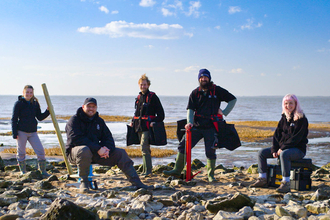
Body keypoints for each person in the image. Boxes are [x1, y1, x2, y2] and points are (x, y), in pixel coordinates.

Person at [163, 69, 237, 182]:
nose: (203, 79)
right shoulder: (195, 93)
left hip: (211, 127)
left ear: (209, 78)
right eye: (201, 77)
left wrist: (225, 112)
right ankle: (177, 170)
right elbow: (190, 109)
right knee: (183, 146)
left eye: (206, 77)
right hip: (196, 126)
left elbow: (233, 99)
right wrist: (189, 122)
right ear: (199, 79)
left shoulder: (217, 90)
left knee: (210, 151)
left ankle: (210, 176)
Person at [66, 97, 153, 193]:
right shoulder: (74, 120)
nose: (91, 109)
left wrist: (106, 149)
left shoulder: (99, 121)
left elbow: (108, 138)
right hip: (74, 154)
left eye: (93, 107)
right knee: (84, 149)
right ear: (83, 107)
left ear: (96, 108)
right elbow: (76, 139)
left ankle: (137, 183)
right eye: (89, 106)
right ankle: (84, 183)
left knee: (120, 153)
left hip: (95, 153)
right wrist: (98, 148)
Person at [250, 94, 308, 193]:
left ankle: (286, 183)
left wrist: (283, 148)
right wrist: (274, 149)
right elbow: (276, 136)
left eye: (290, 103)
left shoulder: (302, 119)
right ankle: (262, 179)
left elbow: (296, 139)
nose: (288, 105)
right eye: (286, 103)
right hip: (283, 148)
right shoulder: (283, 118)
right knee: (261, 153)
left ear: (295, 104)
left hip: (298, 150)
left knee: (284, 154)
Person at [129, 74, 165, 176]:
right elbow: (137, 112)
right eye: (141, 84)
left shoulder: (153, 97)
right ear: (138, 85)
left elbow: (161, 114)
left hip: (147, 127)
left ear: (148, 85)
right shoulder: (138, 97)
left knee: (144, 147)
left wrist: (155, 122)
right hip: (138, 126)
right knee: (143, 148)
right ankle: (144, 169)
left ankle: (148, 171)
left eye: (144, 85)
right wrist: (132, 121)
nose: (143, 86)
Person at [11, 85, 50, 177]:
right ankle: (23, 172)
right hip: (21, 132)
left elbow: (39, 117)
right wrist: (14, 133)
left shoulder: (35, 104)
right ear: (23, 93)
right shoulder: (18, 104)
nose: (29, 94)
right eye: (27, 92)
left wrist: (48, 111)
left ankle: (43, 171)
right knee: (21, 152)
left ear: (33, 94)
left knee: (40, 151)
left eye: (31, 92)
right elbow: (14, 119)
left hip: (33, 132)